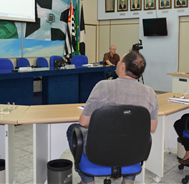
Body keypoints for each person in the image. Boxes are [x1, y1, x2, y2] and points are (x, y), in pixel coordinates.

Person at [66, 51, 159, 184]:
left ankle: (88, 181)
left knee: (73, 129)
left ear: (122, 67)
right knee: (135, 135)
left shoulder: (103, 86)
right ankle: (128, 180)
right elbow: (151, 127)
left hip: (99, 150)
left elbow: (84, 122)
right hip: (133, 152)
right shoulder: (151, 93)